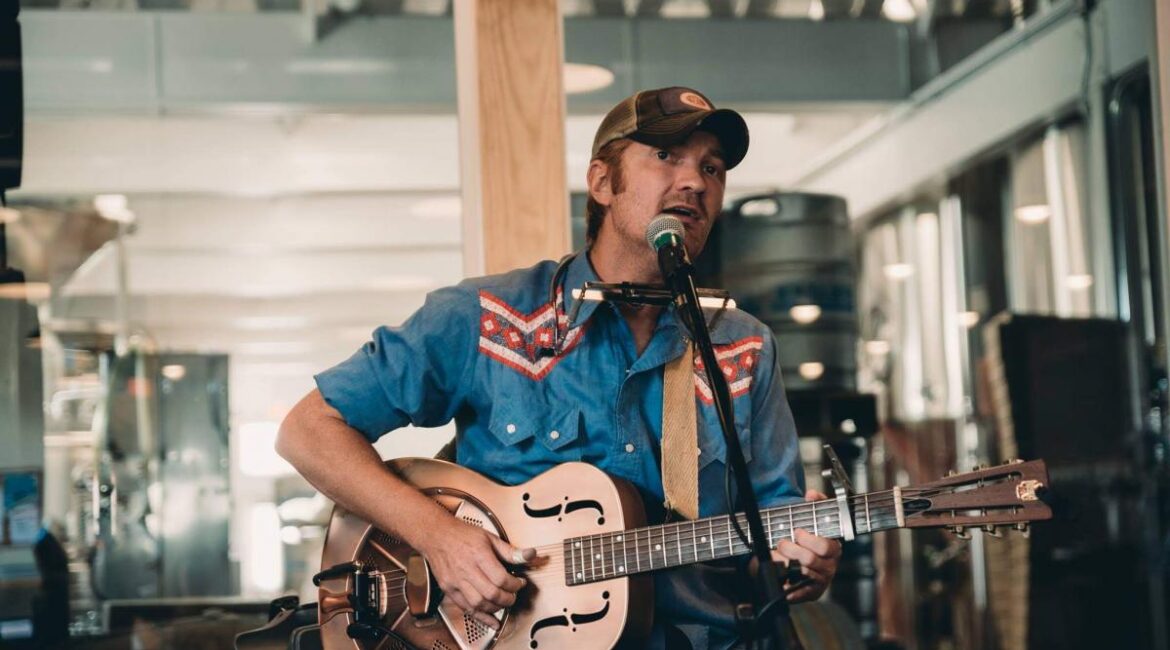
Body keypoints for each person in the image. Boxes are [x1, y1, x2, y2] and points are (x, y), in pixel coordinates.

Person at [276, 86, 841, 650]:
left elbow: (774, 532)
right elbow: (308, 432)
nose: (695, 181)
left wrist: (803, 565)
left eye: (712, 168)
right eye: (666, 157)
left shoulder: (743, 347)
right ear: (601, 183)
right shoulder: (483, 317)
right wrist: (441, 537)